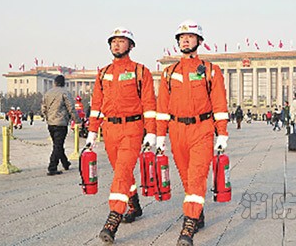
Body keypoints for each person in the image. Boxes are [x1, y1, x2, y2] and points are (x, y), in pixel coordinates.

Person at [156, 20, 229, 246]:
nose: (185, 40)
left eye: (190, 36)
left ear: (199, 41)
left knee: (197, 176)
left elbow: (219, 103)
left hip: (202, 129)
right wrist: (159, 136)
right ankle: (198, 213)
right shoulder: (169, 73)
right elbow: (162, 108)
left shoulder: (210, 71)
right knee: (187, 178)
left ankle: (188, 225)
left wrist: (222, 133)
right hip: (177, 131)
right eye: (181, 37)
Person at [86, 27, 156, 244]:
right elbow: (96, 105)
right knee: (121, 170)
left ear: (131, 46)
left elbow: (149, 105)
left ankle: (113, 220)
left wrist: (151, 132)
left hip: (132, 129)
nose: (116, 45)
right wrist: (92, 131)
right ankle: (134, 204)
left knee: (122, 172)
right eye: (113, 41)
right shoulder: (103, 72)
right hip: (110, 129)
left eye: (121, 41)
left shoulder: (140, 71)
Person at [41, 75, 78, 175]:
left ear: (55, 83)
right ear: (64, 83)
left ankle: (65, 163)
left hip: (51, 124)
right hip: (61, 123)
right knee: (58, 145)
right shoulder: (65, 93)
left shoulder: (47, 93)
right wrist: (77, 120)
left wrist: (48, 118)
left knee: (57, 144)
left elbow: (43, 108)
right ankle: (52, 167)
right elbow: (71, 108)